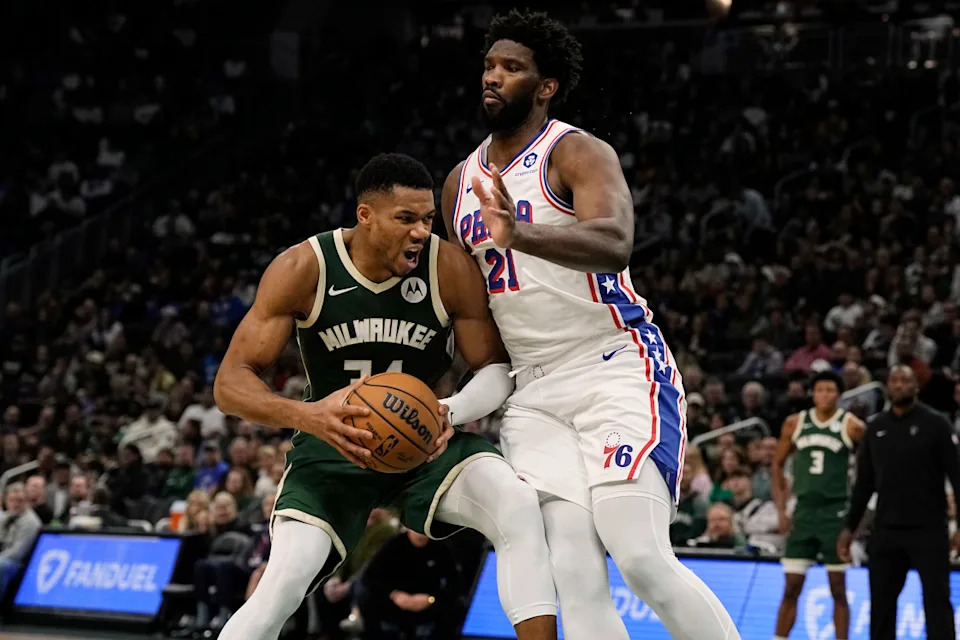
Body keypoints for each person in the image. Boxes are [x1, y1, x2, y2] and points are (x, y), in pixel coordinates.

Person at [441, 9, 740, 639]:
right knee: (573, 570)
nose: (494, 77)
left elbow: (615, 241)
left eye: (512, 67)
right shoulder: (457, 184)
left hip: (614, 364)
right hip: (532, 390)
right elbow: (471, 313)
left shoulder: (575, 150)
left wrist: (519, 231)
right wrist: (449, 401)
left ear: (545, 86)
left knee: (640, 556)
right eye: (489, 66)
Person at [214, 153, 557, 640]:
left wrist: (446, 412)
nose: (421, 231)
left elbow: (495, 368)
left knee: (517, 502)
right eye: (406, 218)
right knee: (281, 585)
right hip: (335, 444)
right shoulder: (303, 267)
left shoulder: (448, 267)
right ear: (365, 215)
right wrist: (308, 416)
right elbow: (229, 385)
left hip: (422, 440)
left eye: (427, 219)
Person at [838, 365, 960, 640]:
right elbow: (864, 484)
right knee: (881, 605)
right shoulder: (876, 426)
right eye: (894, 380)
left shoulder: (937, 424)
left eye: (906, 380)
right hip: (886, 530)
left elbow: (957, 476)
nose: (899, 385)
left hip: (928, 529)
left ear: (916, 387)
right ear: (887, 386)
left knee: (937, 601)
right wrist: (850, 526)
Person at [771, 370, 865, 640]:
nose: (824, 394)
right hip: (802, 511)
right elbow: (776, 464)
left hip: (835, 513)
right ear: (812, 393)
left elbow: (872, 463)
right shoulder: (794, 423)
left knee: (838, 588)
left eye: (830, 390)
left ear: (839, 395)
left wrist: (859, 512)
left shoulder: (852, 425)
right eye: (820, 389)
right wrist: (781, 509)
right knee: (791, 587)